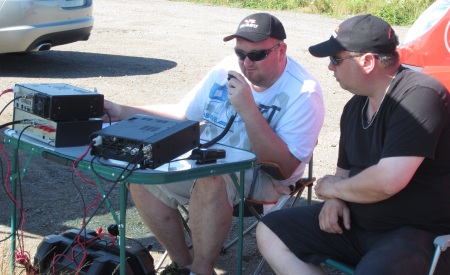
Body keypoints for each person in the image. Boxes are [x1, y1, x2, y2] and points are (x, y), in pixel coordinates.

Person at [102, 13, 324, 274]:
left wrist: (250, 111)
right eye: (240, 53)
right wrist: (122, 110)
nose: (246, 63)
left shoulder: (303, 92)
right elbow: (184, 115)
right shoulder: (226, 68)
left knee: (210, 179)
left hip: (262, 177)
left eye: (257, 55)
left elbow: (284, 168)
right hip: (207, 160)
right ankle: (182, 264)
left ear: (281, 50)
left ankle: (201, 270)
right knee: (142, 172)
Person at [256, 14, 450, 275]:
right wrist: (336, 197)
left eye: (336, 59)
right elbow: (343, 173)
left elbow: (387, 182)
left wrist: (333, 189)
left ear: (367, 62)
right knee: (270, 230)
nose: (330, 68)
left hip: (414, 233)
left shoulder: (420, 96)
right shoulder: (354, 106)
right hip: (356, 224)